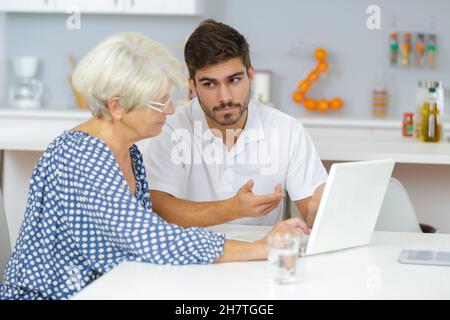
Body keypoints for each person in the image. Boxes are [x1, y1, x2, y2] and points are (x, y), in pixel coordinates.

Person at [0, 32, 304, 300]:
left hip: (110, 287)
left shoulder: (127, 152)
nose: (170, 110)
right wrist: (259, 248)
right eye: (159, 103)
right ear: (117, 106)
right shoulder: (80, 155)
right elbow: (150, 239)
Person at [144, 20, 327, 229]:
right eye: (209, 84)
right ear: (192, 85)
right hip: (191, 255)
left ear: (250, 75)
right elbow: (158, 209)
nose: (225, 97)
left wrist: (322, 207)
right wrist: (232, 209)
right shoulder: (171, 128)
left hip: (261, 256)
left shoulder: (287, 130)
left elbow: (313, 215)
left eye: (234, 80)